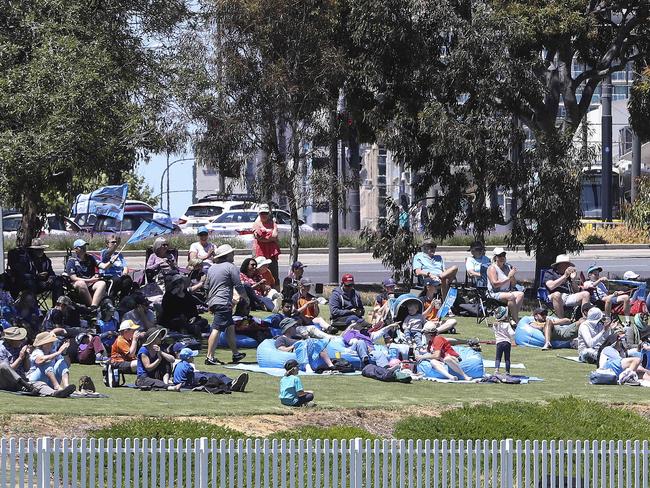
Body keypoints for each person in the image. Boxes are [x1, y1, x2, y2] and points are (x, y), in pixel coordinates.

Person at [204, 244, 249, 365]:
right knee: (216, 329)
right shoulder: (230, 267)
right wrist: (246, 297)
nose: (233, 255)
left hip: (214, 301)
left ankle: (235, 354)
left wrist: (210, 302)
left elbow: (206, 287)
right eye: (231, 253)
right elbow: (238, 285)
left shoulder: (212, 268)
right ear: (227, 255)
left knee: (230, 327)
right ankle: (209, 357)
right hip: (223, 301)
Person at [0, 327, 75, 397]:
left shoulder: (19, 347)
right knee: (4, 365)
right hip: (6, 381)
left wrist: (26, 357)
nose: (23, 341)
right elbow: (6, 370)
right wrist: (20, 358)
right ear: (11, 340)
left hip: (23, 381)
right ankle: (27, 386)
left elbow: (26, 369)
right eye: (20, 339)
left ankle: (56, 393)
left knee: (40, 384)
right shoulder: (2, 349)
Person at [172, 346, 248, 392]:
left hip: (194, 374)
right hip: (194, 377)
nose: (193, 357)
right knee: (212, 379)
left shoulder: (179, 364)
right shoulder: (186, 366)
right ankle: (231, 385)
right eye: (192, 356)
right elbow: (191, 379)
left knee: (219, 376)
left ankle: (232, 383)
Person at [160, 274, 207, 339]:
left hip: (189, 319)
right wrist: (172, 293)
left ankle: (192, 328)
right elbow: (165, 307)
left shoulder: (187, 294)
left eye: (181, 282)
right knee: (178, 322)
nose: (180, 285)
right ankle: (192, 329)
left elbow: (193, 308)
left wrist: (194, 317)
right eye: (177, 283)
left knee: (203, 321)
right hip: (174, 319)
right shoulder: (169, 295)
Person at [545, 254, 591, 319]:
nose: (568, 266)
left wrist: (573, 279)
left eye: (568, 264)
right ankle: (562, 321)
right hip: (553, 297)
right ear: (559, 264)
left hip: (567, 296)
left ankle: (585, 320)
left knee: (586, 294)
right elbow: (551, 286)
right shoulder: (550, 273)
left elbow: (576, 291)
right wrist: (564, 276)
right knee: (557, 294)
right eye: (566, 264)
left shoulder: (570, 274)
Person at [486, 247, 524, 323]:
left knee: (520, 294)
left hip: (506, 292)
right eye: (499, 255)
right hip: (494, 293)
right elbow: (495, 284)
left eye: (503, 255)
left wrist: (512, 276)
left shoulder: (507, 267)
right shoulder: (492, 268)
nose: (502, 257)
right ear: (495, 257)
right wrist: (508, 278)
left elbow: (513, 284)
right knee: (510, 296)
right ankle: (515, 319)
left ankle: (512, 317)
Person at [65, 239, 106, 308]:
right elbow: (73, 278)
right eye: (81, 247)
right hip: (77, 284)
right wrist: (90, 280)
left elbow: (104, 267)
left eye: (85, 247)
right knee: (81, 283)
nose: (84, 248)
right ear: (76, 249)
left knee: (102, 283)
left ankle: (94, 306)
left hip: (90, 283)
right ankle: (91, 308)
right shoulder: (71, 261)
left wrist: (111, 262)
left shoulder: (90, 258)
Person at [26, 238, 64, 305]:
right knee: (30, 283)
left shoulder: (46, 260)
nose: (40, 251)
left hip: (45, 283)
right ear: (33, 250)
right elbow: (26, 275)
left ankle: (57, 307)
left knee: (58, 281)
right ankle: (34, 309)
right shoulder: (28, 260)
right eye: (37, 250)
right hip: (32, 284)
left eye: (42, 249)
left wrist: (51, 278)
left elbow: (51, 273)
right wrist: (37, 276)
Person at [252, 204, 280, 286]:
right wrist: (270, 236)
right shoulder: (256, 224)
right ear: (259, 214)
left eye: (266, 213)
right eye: (262, 213)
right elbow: (258, 237)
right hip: (260, 253)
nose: (264, 215)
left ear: (269, 214)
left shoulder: (273, 223)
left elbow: (275, 236)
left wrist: (265, 235)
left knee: (274, 275)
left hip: (271, 253)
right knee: (260, 275)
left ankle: (276, 294)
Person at [98, 235, 134, 301]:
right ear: (107, 244)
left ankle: (122, 300)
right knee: (116, 280)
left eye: (116, 242)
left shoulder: (119, 255)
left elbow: (125, 266)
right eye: (113, 242)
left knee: (127, 280)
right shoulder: (104, 252)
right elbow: (108, 254)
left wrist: (125, 272)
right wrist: (115, 246)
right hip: (108, 276)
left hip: (118, 276)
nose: (115, 244)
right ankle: (111, 299)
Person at [492, 306, 515, 374]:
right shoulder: (507, 324)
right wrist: (513, 326)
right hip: (507, 342)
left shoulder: (495, 325)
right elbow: (512, 334)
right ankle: (507, 371)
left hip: (499, 342)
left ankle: (496, 370)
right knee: (507, 358)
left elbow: (494, 330)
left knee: (498, 357)